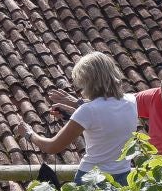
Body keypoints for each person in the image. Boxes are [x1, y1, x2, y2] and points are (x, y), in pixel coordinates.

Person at [24, 51, 136, 181]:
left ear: (88, 82)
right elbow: (105, 121)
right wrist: (76, 109)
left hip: (92, 180)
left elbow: (52, 146)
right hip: (124, 178)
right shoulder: (131, 101)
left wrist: (29, 134)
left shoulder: (88, 111)